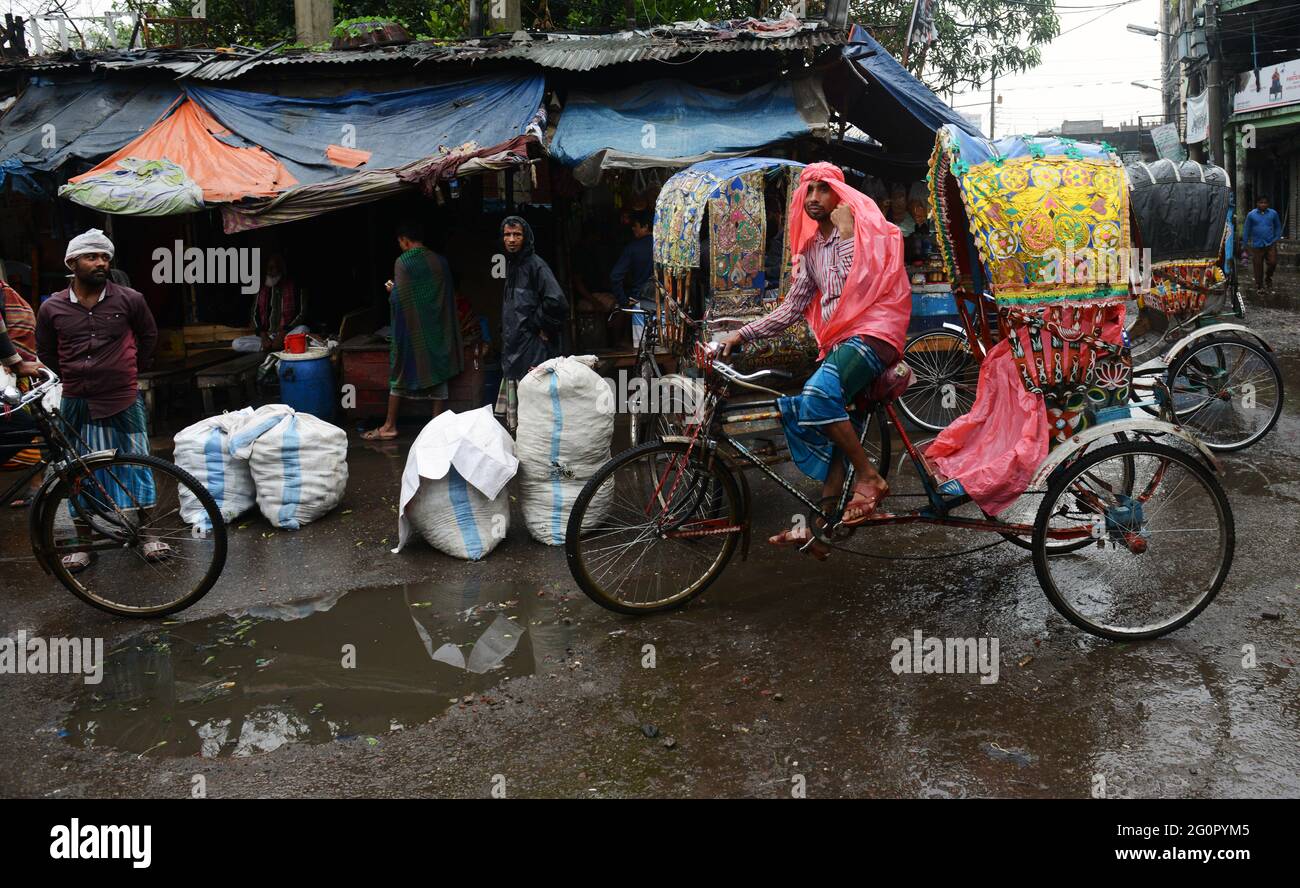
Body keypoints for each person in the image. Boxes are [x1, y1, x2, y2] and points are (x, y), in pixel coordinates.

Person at [715, 163, 911, 559]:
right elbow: (792, 307)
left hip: (875, 332)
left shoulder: (862, 233)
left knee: (817, 396)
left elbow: (857, 283)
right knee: (833, 429)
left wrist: (846, 233)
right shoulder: (809, 250)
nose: (815, 198)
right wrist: (742, 334)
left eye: (824, 190)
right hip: (842, 341)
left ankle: (871, 477)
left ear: (840, 195)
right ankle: (820, 527)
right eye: (809, 191)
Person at [35, 229, 162, 572]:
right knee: (77, 472)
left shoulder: (130, 299)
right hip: (76, 399)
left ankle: (147, 534)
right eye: (92, 257)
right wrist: (74, 375)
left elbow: (149, 337)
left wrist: (129, 368)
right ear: (72, 262)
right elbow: (45, 352)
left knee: (138, 464)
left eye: (105, 257)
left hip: (122, 396)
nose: (101, 263)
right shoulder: (52, 308)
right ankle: (83, 543)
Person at [363, 221, 463, 440]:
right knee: (439, 372)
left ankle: (390, 426)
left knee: (399, 373)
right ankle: (436, 424)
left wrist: (392, 291)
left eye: (400, 243)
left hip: (412, 334)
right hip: (438, 329)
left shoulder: (404, 262)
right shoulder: (440, 262)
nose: (400, 246)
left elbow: (401, 301)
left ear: (405, 240)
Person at [494, 215, 568, 433]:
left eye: (517, 234)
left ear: (526, 238)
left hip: (531, 349)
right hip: (513, 348)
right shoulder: (513, 265)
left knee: (536, 412)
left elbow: (556, 301)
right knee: (520, 419)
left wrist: (537, 324)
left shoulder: (536, 265)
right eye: (507, 234)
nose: (512, 239)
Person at [610, 209, 655, 346]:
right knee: (665, 350)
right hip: (665, 304)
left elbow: (615, 276)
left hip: (641, 305)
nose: (633, 228)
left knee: (642, 350)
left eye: (636, 225)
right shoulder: (664, 247)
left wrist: (623, 301)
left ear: (646, 226)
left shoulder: (633, 248)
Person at [252, 253, 308, 352]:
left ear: (281, 269)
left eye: (273, 268)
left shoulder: (295, 287)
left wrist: (282, 334)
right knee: (237, 343)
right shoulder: (263, 289)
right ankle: (272, 346)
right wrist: (264, 336)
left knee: (303, 329)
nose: (269, 271)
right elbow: (254, 315)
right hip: (268, 335)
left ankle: (278, 345)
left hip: (287, 333)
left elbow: (301, 313)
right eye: (268, 268)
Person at [1244, 195, 1282, 293]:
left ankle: (1268, 277)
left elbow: (1278, 226)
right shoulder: (1251, 215)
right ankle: (1259, 286)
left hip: (1270, 243)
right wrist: (1244, 244)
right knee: (1258, 266)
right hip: (1256, 244)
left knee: (1273, 262)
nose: (1263, 204)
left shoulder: (1273, 213)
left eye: (1265, 203)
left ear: (1268, 204)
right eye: (1261, 202)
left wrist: (1276, 237)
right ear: (1257, 204)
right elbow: (1246, 229)